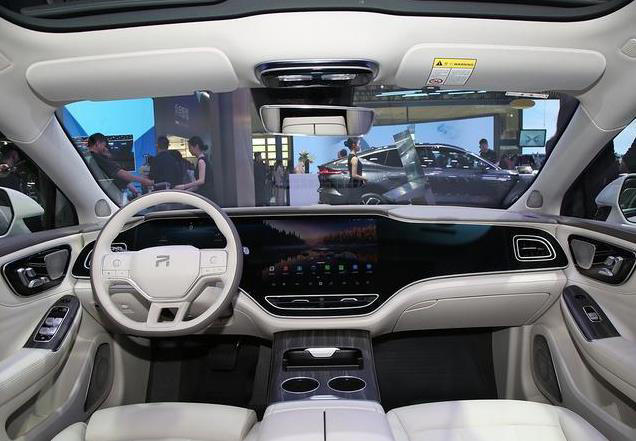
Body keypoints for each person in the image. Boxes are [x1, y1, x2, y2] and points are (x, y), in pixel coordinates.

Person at [87, 133, 153, 199]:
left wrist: (135, 191)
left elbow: (116, 176)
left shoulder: (90, 157)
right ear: (97, 143)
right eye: (104, 146)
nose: (105, 149)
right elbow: (121, 174)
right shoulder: (97, 157)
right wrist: (143, 181)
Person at [175, 136, 214, 200]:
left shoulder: (201, 161)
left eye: (190, 147)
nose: (189, 150)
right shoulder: (202, 160)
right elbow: (198, 186)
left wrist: (184, 186)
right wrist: (185, 191)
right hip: (205, 194)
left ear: (196, 146)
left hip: (206, 195)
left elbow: (201, 181)